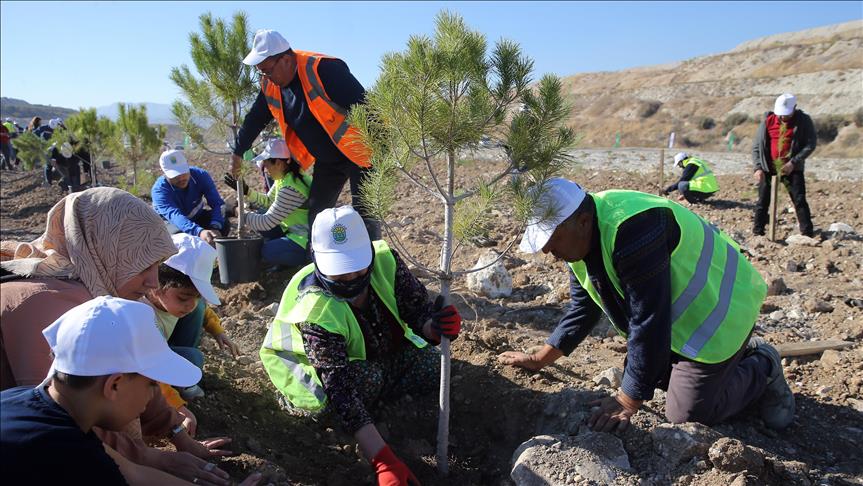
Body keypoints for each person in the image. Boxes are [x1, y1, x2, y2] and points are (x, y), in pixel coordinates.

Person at [501, 178, 794, 431]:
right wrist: (540, 359)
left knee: (686, 415)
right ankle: (729, 364)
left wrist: (628, 399)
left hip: (721, 316)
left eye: (551, 238)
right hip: (680, 323)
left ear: (583, 221)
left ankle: (762, 366)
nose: (547, 249)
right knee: (648, 372)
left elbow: (649, 320)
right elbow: (583, 308)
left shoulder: (633, 230)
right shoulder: (581, 240)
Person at [0, 187, 238, 483]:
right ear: (110, 249)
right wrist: (153, 460)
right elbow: (73, 425)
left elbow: (135, 367)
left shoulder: (96, 284)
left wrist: (176, 431)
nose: (153, 281)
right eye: (143, 266)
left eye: (156, 266)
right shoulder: (49, 304)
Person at [260, 206, 461, 485]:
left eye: (357, 270)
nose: (351, 279)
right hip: (321, 380)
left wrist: (436, 328)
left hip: (377, 355)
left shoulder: (385, 261)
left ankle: (379, 406)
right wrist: (383, 459)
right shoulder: (315, 309)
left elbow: (416, 311)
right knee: (366, 381)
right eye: (340, 274)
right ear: (316, 258)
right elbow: (339, 388)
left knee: (434, 366)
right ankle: (362, 422)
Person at [230, 29, 380, 239]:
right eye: (260, 72)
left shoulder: (324, 70)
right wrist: (238, 152)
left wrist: (381, 154)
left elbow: (367, 109)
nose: (265, 77)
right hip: (328, 161)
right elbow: (255, 118)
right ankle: (322, 267)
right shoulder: (271, 85)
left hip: (360, 154)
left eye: (267, 70)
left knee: (366, 219)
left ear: (285, 59)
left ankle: (373, 267)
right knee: (317, 217)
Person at [143, 233, 240, 401]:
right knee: (193, 359)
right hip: (148, 360)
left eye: (197, 296)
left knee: (199, 309)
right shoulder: (141, 317)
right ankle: (181, 383)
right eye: (183, 298)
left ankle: (181, 369)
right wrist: (176, 405)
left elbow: (203, 310)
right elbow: (148, 364)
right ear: (156, 285)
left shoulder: (180, 302)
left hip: (164, 346)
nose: (190, 304)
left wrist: (217, 331)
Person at [224, 138, 312, 268]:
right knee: (261, 212)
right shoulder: (285, 177)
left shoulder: (291, 187)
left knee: (267, 251)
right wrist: (247, 191)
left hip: (304, 239)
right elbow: (268, 202)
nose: (265, 170)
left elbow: (266, 222)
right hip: (293, 232)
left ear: (278, 163)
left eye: (266, 165)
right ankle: (286, 251)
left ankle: (305, 259)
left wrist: (239, 213)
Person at [752, 93, 817, 237]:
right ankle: (758, 233)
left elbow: (810, 144)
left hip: (792, 169)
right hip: (768, 168)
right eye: (780, 114)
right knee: (763, 201)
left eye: (786, 114)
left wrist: (793, 162)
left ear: (794, 107)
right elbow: (757, 146)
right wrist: (758, 168)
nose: (783, 117)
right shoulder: (768, 121)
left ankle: (807, 233)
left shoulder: (804, 121)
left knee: (799, 200)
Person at [152, 149, 229, 245]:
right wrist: (199, 232)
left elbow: (217, 203)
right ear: (165, 174)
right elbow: (175, 216)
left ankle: (215, 254)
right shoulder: (159, 191)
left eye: (183, 173)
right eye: (175, 176)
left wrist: (215, 227)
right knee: (181, 238)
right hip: (170, 223)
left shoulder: (200, 175)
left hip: (196, 216)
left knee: (223, 223)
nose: (181, 178)